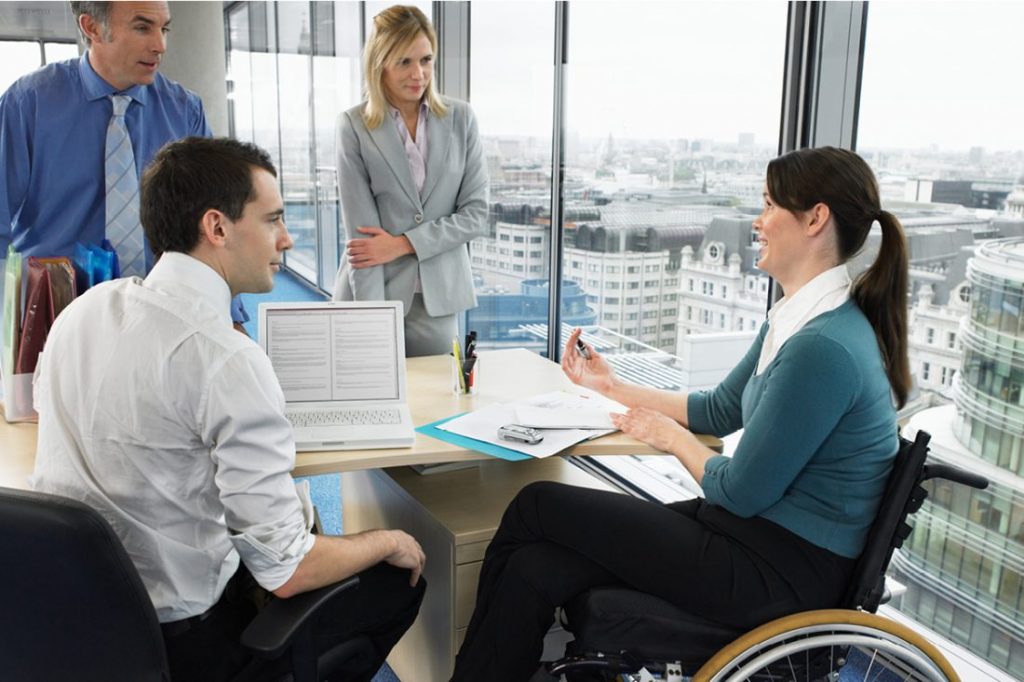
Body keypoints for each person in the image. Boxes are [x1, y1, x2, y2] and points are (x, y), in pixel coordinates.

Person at [451, 146, 911, 681]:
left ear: (815, 219)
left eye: (769, 205)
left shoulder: (823, 346)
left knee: (536, 504)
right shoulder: (797, 318)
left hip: (774, 571)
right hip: (746, 537)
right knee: (536, 567)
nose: (757, 221)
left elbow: (740, 491)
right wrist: (611, 387)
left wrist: (671, 438)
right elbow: (719, 409)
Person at [31, 137, 426, 682]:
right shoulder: (225, 358)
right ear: (216, 227)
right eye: (273, 220)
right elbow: (287, 571)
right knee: (397, 576)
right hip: (187, 644)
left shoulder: (82, 311)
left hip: (76, 623)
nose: (286, 239)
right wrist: (388, 539)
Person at [0, 1, 248, 335]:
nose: (160, 45)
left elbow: (213, 219)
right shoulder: (27, 103)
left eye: (164, 28)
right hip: (54, 315)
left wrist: (230, 316)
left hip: (162, 313)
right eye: (142, 27)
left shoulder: (184, 110)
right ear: (92, 27)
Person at [332, 5, 488, 357]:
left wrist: (405, 243)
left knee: (438, 390)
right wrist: (372, 317)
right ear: (380, 64)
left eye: (426, 60)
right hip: (374, 290)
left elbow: (475, 216)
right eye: (404, 62)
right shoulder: (353, 126)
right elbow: (363, 238)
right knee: (372, 387)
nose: (418, 74)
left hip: (439, 297)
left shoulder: (461, 119)